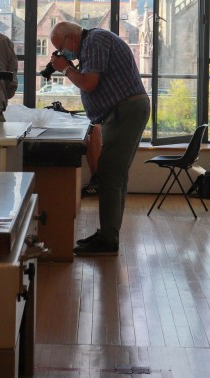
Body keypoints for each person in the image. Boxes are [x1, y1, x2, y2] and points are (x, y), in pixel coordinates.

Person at [48, 21, 150, 256]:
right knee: (114, 174)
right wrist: (70, 65)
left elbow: (89, 84)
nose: (62, 53)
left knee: (110, 173)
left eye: (61, 48)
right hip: (121, 113)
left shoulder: (95, 41)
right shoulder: (89, 45)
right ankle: (107, 234)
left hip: (127, 111)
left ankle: (108, 239)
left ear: (72, 38)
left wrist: (65, 68)